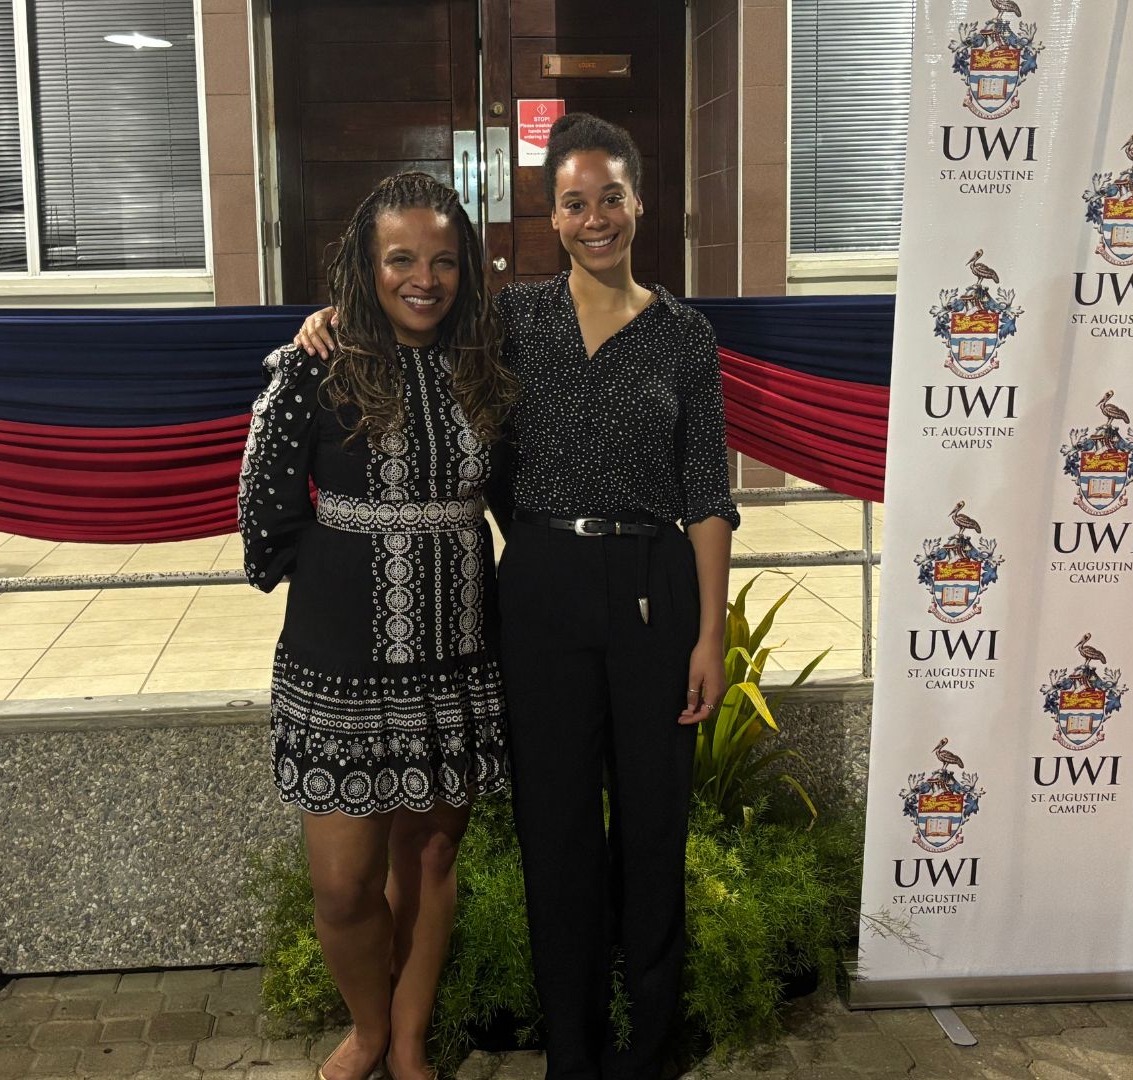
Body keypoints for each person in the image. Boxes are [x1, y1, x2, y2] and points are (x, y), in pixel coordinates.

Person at [297, 114, 737, 1080]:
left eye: (610, 197)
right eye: (574, 202)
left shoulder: (684, 336)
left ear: (639, 201)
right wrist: (324, 320)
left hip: (655, 592)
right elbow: (405, 312)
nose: (595, 218)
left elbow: (709, 495)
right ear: (551, 215)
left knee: (655, 828)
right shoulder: (509, 324)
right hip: (536, 588)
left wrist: (712, 635)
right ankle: (574, 1053)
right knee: (558, 833)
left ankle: (649, 1046)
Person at [239, 171, 516, 1080]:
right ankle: (364, 1024)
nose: (423, 279)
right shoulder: (316, 363)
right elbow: (264, 511)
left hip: (457, 651)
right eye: (401, 259)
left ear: (465, 268)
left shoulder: (487, 361)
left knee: (432, 855)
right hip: (340, 662)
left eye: (442, 260)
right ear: (368, 265)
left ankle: (405, 1036)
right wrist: (328, 573)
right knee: (345, 883)